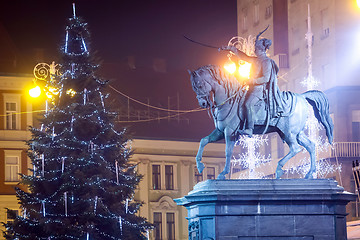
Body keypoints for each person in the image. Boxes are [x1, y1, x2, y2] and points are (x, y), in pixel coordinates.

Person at [220, 26, 285, 137]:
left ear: (261, 50)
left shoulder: (266, 62)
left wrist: (251, 80)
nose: (254, 51)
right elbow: (243, 56)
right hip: (251, 88)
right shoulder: (256, 60)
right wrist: (229, 48)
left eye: (256, 49)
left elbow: (265, 78)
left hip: (259, 90)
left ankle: (249, 129)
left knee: (248, 104)